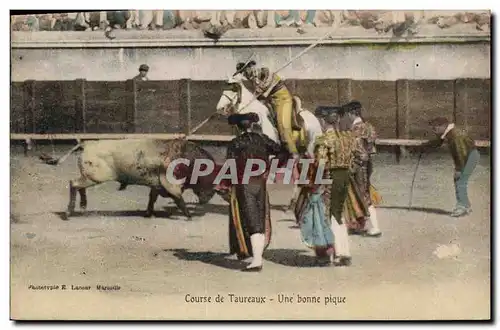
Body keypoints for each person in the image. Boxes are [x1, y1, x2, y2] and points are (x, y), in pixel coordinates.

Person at [217, 112, 282, 272]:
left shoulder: (235, 143)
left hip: (244, 184)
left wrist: (223, 186)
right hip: (260, 183)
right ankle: (257, 258)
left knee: (251, 220)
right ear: (252, 125)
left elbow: (230, 167)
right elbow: (281, 151)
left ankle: (257, 261)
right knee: (258, 219)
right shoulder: (262, 139)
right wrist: (270, 169)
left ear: (237, 128)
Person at [313, 106, 358, 266]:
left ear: (323, 121)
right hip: (345, 176)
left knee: (330, 214)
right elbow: (355, 159)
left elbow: (320, 163)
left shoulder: (324, 139)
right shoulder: (348, 137)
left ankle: (337, 253)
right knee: (339, 213)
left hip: (331, 176)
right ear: (338, 119)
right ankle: (345, 252)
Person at [233, 60, 298, 162]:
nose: (244, 74)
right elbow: (260, 95)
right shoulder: (252, 79)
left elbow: (264, 92)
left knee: (284, 128)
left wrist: (259, 91)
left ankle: (294, 154)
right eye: (242, 72)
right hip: (270, 101)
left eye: (245, 70)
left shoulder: (264, 72)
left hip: (282, 99)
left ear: (250, 67)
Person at [421, 117, 480, 217]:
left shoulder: (455, 135)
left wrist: (459, 169)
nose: (434, 131)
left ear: (442, 126)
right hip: (470, 155)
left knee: (460, 179)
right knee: (460, 180)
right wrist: (426, 145)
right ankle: (465, 205)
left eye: (435, 129)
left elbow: (461, 152)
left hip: (468, 157)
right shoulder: (450, 132)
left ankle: (462, 207)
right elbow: (439, 142)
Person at [343, 101, 382, 237]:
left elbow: (357, 152)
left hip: (359, 166)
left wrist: (351, 167)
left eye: (347, 114)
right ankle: (359, 225)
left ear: (350, 113)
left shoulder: (356, 129)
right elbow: (372, 150)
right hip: (367, 165)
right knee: (362, 193)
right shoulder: (368, 126)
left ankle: (375, 227)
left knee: (362, 195)